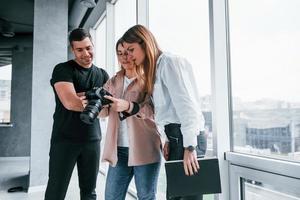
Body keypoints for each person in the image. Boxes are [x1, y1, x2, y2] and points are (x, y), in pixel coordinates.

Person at [120, 25, 207, 200]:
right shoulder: (156, 70)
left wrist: (189, 147)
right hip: (176, 137)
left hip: (186, 138)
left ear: (145, 44)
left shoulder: (169, 62)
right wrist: (168, 139)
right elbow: (166, 111)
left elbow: (188, 108)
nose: (129, 56)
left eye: (131, 50)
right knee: (175, 196)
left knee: (187, 197)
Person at [45, 28, 109, 200]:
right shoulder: (63, 70)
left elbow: (106, 112)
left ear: (93, 45)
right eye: (80, 50)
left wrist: (84, 97)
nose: (86, 53)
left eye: (88, 48)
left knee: (89, 193)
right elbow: (70, 103)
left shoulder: (102, 74)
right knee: (56, 191)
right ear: (72, 49)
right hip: (65, 140)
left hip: (92, 140)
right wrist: (95, 99)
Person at [100, 38, 161, 200]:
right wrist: (93, 105)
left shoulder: (149, 80)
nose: (124, 57)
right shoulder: (113, 81)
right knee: (112, 197)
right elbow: (104, 114)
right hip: (118, 150)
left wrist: (127, 105)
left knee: (146, 196)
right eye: (120, 53)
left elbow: (154, 111)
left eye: (128, 52)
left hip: (145, 149)